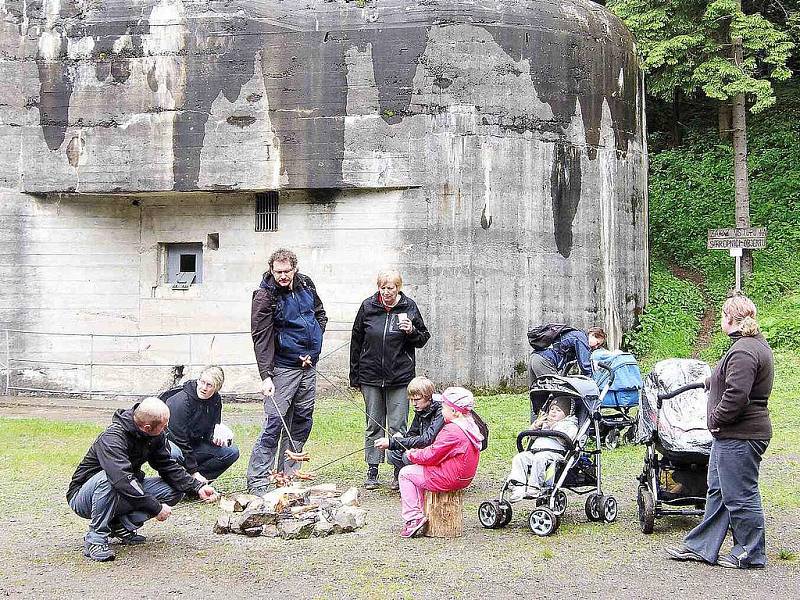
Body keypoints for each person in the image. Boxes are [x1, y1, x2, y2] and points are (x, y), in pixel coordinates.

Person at [667, 294, 774, 569]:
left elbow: (738, 394)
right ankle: (702, 547)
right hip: (732, 434)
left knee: (740, 494)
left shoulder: (744, 350)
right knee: (718, 491)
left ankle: (751, 553)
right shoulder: (748, 346)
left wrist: (716, 420)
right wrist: (710, 381)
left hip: (740, 434)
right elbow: (732, 379)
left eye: (723, 316)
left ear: (730, 318)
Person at [66, 397, 217, 562]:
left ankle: (120, 525)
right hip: (84, 498)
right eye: (164, 425)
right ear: (147, 427)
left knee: (175, 489)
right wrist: (156, 507)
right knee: (109, 478)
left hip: (121, 490)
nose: (167, 428)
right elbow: (122, 480)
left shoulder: (155, 435)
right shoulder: (112, 438)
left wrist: (197, 487)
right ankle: (95, 539)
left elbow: (166, 465)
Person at [248, 248, 327, 494]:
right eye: (278, 271)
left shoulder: (306, 285)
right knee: (274, 423)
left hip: (308, 366)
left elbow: (320, 317)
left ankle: (288, 475)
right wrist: (266, 375)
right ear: (271, 270)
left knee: (302, 420)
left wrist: (311, 352)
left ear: (295, 269)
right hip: (282, 368)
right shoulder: (264, 296)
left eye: (287, 271)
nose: (282, 276)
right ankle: (259, 480)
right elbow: (261, 337)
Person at [350, 269, 431, 489]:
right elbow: (356, 341)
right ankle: (373, 468)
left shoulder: (409, 306)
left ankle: (398, 468)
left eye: (391, 288)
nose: (386, 292)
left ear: (398, 288)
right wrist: (355, 375)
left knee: (398, 425)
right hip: (370, 376)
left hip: (400, 377)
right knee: (373, 423)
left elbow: (423, 338)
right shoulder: (368, 307)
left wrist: (411, 331)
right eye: (382, 288)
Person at [397, 387, 483, 538]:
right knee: (417, 470)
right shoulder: (470, 425)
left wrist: (412, 454)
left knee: (406, 474)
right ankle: (421, 512)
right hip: (463, 477)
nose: (441, 411)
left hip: (449, 478)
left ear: (455, 411)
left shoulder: (452, 431)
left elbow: (431, 455)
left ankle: (413, 518)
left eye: (443, 407)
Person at [164, 366, 239, 484]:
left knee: (231, 451)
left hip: (195, 443)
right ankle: (175, 484)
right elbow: (179, 439)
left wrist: (215, 437)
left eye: (209, 385)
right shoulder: (180, 401)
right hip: (173, 442)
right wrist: (193, 470)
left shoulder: (215, 400)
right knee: (174, 454)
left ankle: (196, 485)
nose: (203, 388)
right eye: (202, 382)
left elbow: (212, 427)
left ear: (216, 388)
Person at [374, 376, 444, 491]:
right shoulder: (421, 409)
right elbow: (412, 433)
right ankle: (408, 479)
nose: (413, 404)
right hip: (425, 448)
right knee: (393, 453)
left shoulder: (441, 411)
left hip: (436, 453)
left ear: (428, 396)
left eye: (417, 400)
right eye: (411, 400)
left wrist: (393, 442)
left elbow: (428, 439)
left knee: (408, 456)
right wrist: (397, 441)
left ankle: (421, 484)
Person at [505, 396, 578, 502]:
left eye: (558, 410)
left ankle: (534, 487)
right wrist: (536, 426)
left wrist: (554, 427)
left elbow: (567, 440)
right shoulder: (544, 423)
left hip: (554, 454)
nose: (553, 412)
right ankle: (519, 485)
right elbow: (532, 437)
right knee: (519, 458)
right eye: (552, 409)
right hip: (535, 452)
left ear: (567, 414)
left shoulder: (570, 425)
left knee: (540, 458)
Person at [528, 326, 605, 420]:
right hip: (545, 361)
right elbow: (586, 366)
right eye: (597, 343)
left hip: (535, 357)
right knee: (556, 396)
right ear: (592, 334)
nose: (595, 347)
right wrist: (592, 384)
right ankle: (552, 428)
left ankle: (533, 430)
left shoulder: (572, 333)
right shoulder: (581, 338)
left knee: (536, 394)